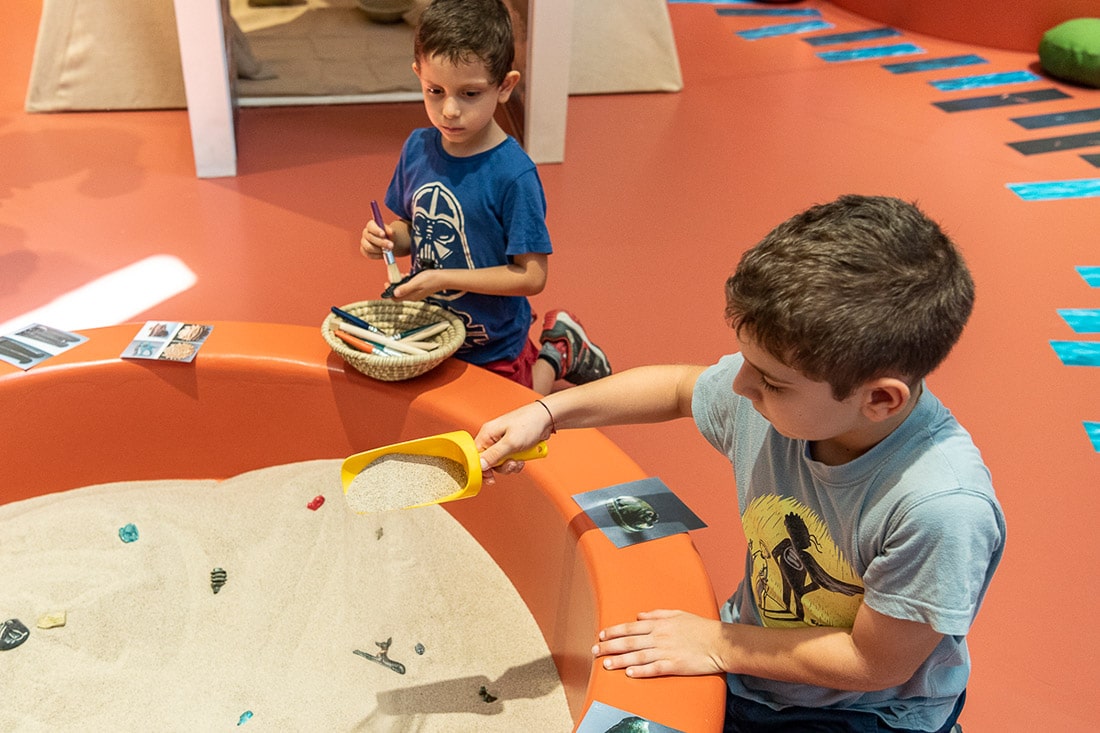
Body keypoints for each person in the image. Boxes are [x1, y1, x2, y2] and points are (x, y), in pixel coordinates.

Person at [475, 194, 1006, 733]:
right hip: (760, 659)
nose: (737, 385)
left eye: (771, 381)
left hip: (867, 712)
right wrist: (546, 411)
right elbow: (682, 388)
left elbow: (875, 662)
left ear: (880, 399)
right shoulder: (780, 399)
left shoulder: (941, 509)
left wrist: (715, 642)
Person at [359, 0, 610, 394]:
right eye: (434, 91)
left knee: (509, 428)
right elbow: (412, 228)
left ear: (505, 86)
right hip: (430, 333)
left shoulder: (514, 175)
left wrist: (442, 277)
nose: (450, 110)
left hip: (493, 343)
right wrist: (389, 238)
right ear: (418, 76)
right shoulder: (417, 148)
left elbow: (532, 276)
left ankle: (558, 349)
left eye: (470, 93)